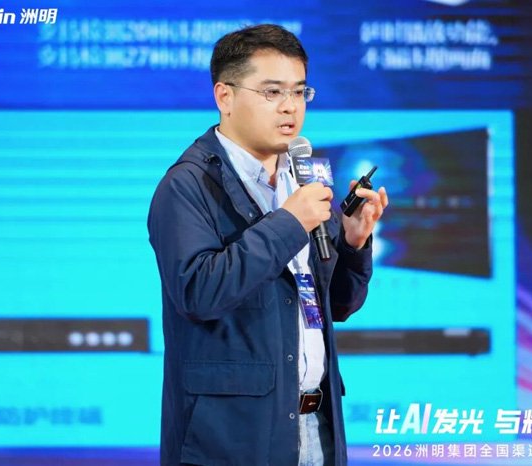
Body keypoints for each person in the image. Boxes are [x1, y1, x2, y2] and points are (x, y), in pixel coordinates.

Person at [148, 24, 388, 466]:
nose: (290, 107)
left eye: (299, 92)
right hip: (232, 439)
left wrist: (354, 243)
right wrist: (289, 223)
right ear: (225, 97)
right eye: (272, 92)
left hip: (317, 427)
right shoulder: (187, 186)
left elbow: (335, 305)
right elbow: (198, 292)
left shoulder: (304, 177)